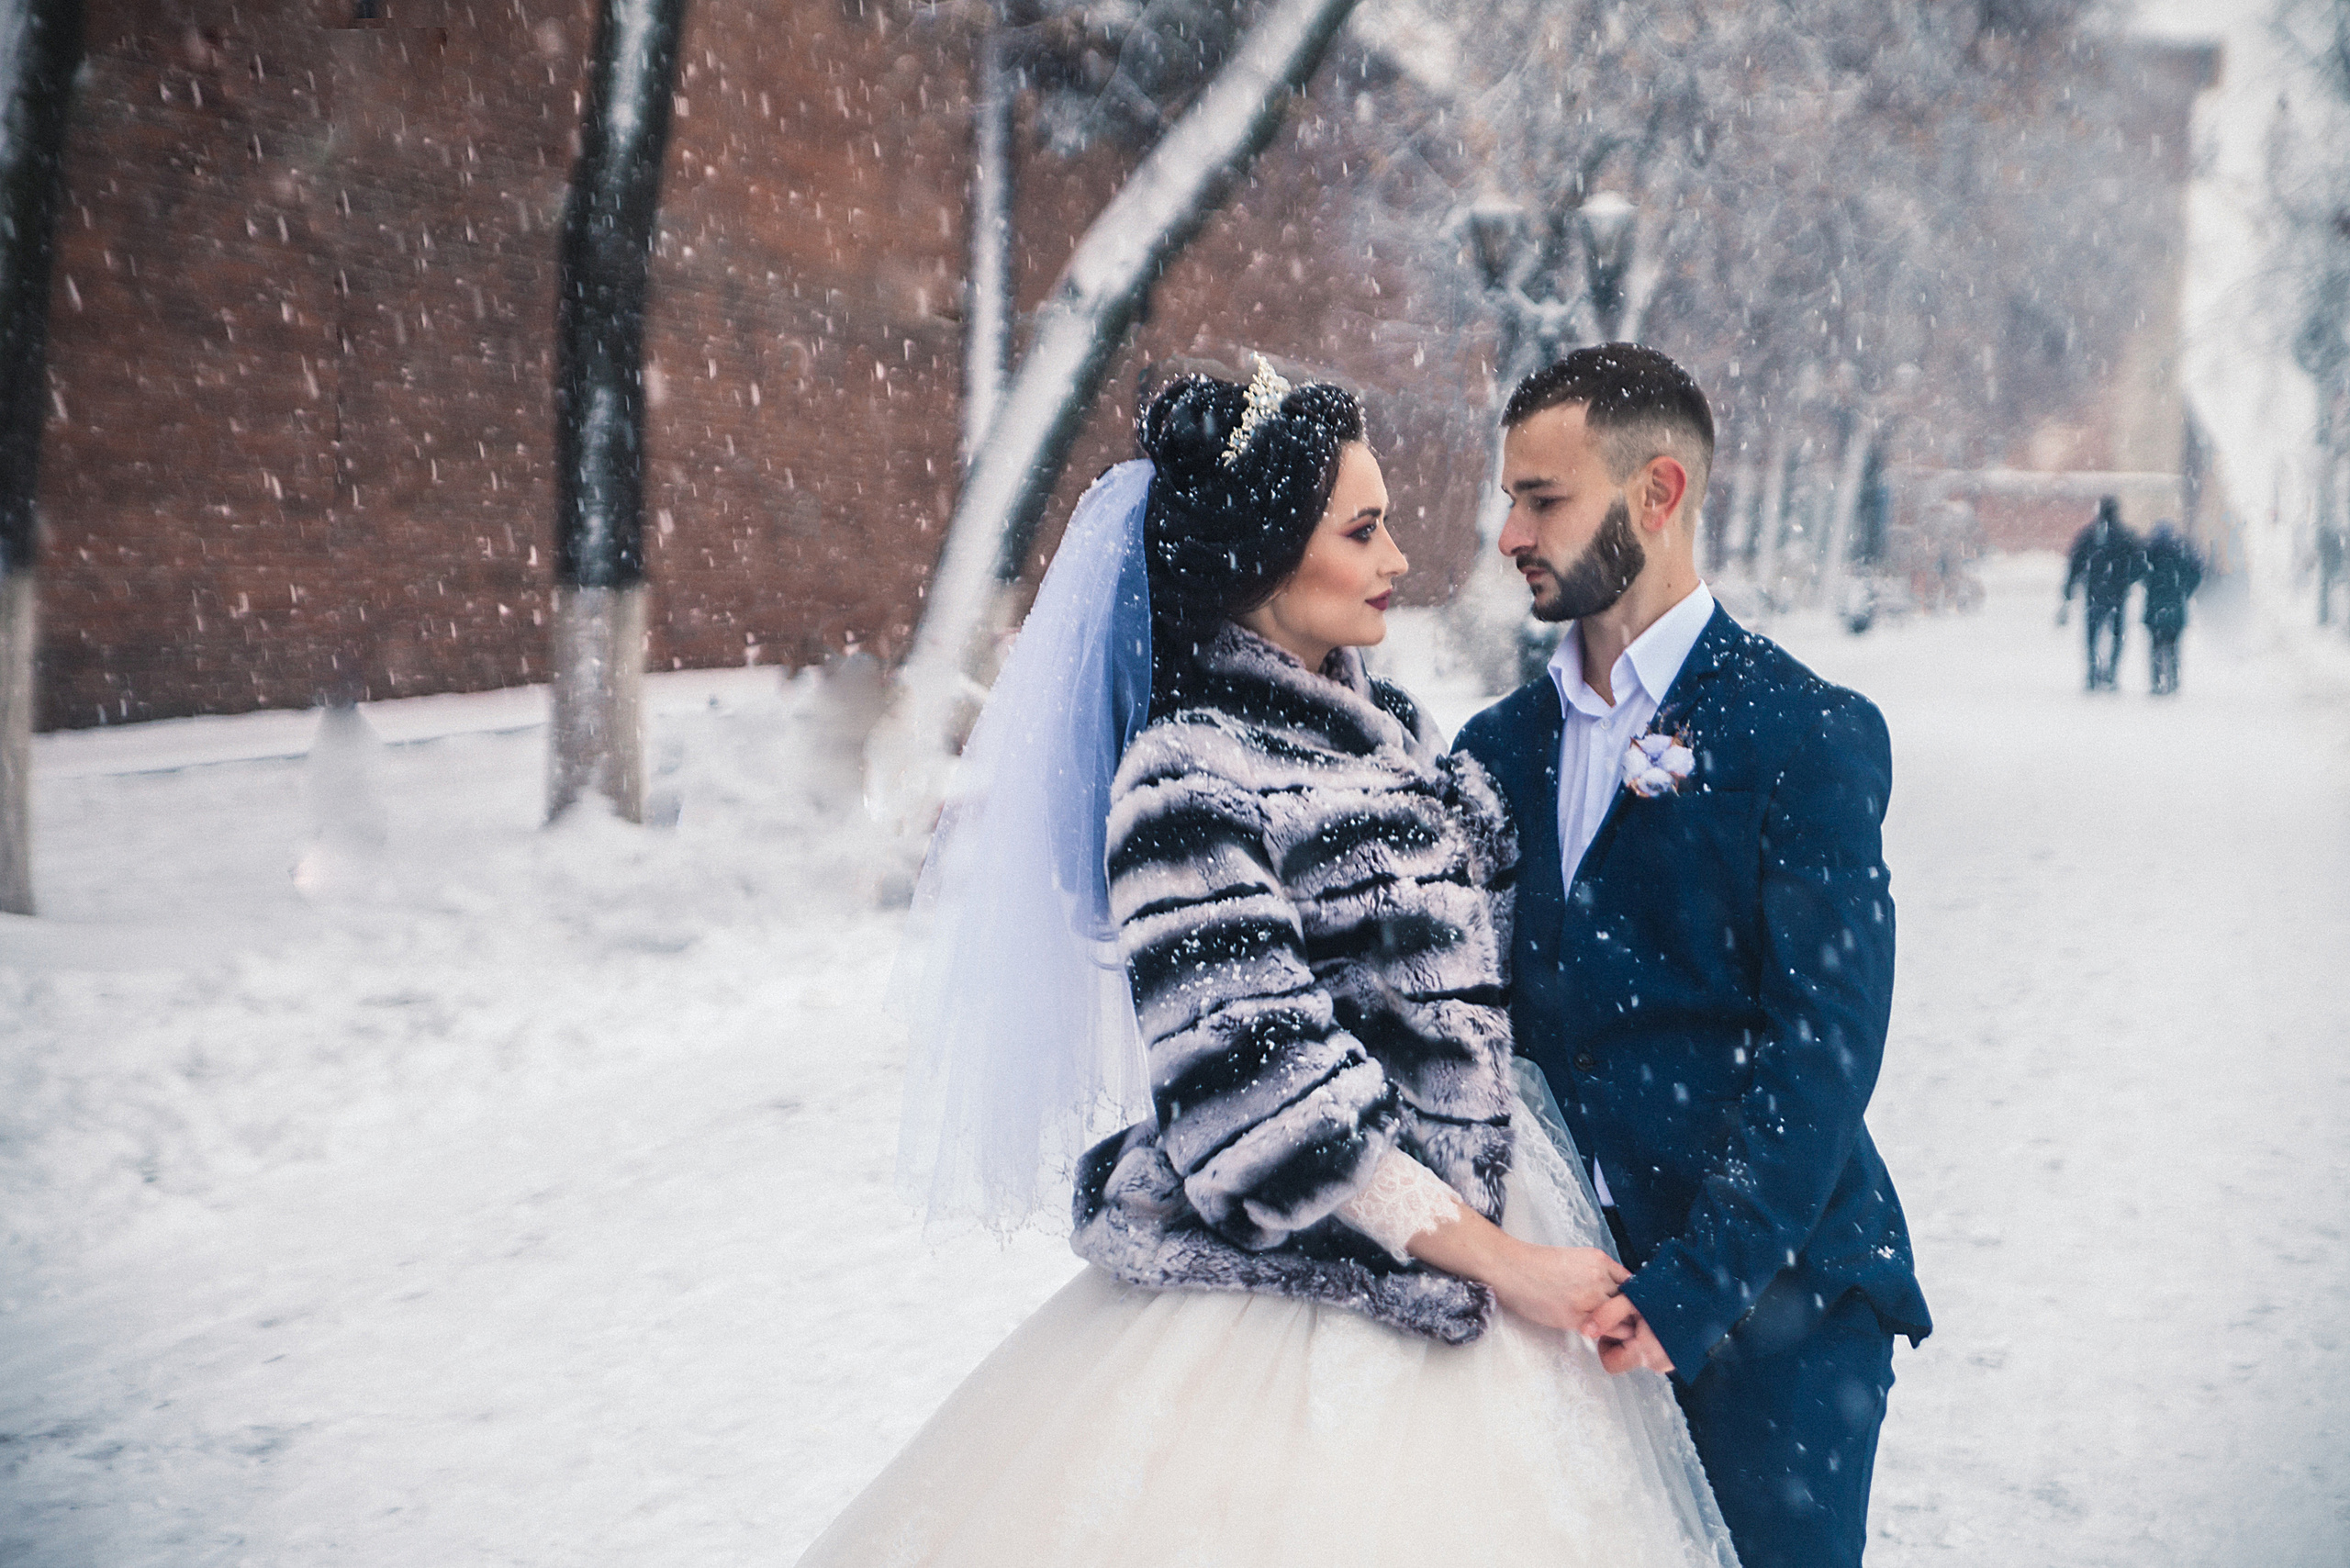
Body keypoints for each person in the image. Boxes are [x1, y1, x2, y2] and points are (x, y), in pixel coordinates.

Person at [800, 364, 1740, 1566]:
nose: (1399, 554)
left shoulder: (1391, 738)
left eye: (1389, 519)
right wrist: (1508, 1268)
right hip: (1303, 1293)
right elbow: (1266, 1099)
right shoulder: (1186, 787)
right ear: (1257, 560)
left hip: (1483, 1258)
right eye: (1361, 529)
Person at [1454, 345, 1931, 1568]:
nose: (1511, 529)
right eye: (1510, 496)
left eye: (1543, 498)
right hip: (1560, 1320)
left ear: (1659, 495)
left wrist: (1697, 1289)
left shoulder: (1803, 733)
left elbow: (1821, 1049)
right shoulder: (1495, 750)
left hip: (1777, 1321)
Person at [2061, 497, 2144, 690]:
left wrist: (2070, 588)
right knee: (2117, 635)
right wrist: (2127, 580)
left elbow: (2076, 563)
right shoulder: (2126, 535)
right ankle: (2112, 673)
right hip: (2118, 594)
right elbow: (2140, 564)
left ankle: (2092, 672)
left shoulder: (2089, 535)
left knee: (2092, 634)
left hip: (2095, 592)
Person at [2139, 521, 2202, 695]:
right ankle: (2173, 680)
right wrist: (2185, 591)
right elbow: (2195, 572)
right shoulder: (2181, 552)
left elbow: (2139, 572)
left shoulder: (2150, 552)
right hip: (2175, 608)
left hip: (2154, 609)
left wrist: (2149, 585)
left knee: (2156, 646)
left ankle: (2157, 681)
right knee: (2174, 646)